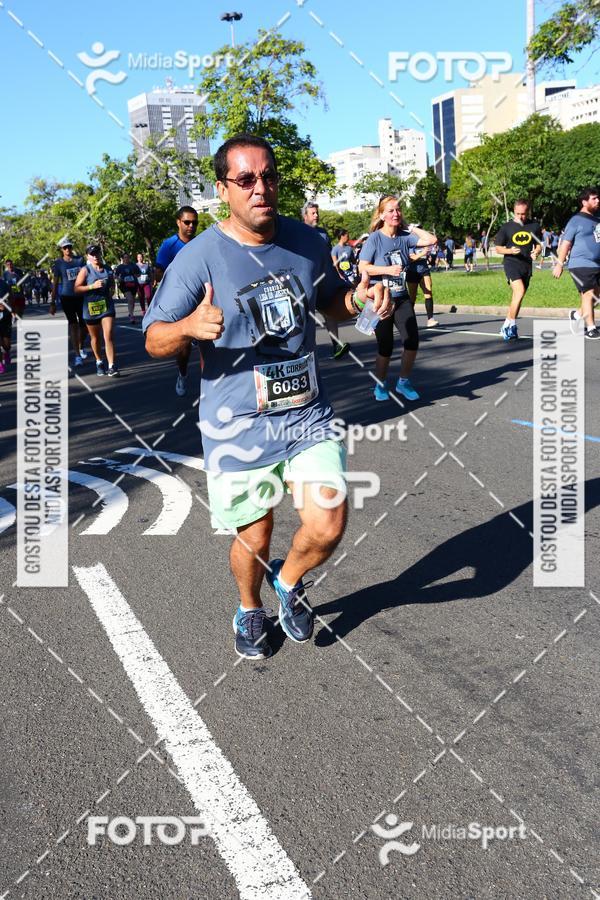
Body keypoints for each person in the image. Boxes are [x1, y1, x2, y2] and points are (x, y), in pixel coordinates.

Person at [143, 133, 392, 660]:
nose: (261, 188)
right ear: (223, 189)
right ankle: (249, 606)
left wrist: (359, 299)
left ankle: (289, 579)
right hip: (237, 423)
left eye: (268, 177)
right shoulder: (198, 258)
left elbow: (331, 302)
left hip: (307, 416)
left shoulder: (307, 242)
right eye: (246, 179)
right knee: (254, 538)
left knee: (328, 524)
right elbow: (154, 338)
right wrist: (187, 326)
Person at [358, 196, 437, 402]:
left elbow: (431, 240)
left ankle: (403, 382)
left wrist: (411, 227)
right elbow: (362, 267)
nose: (396, 213)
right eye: (391, 210)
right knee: (385, 347)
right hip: (381, 300)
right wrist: (387, 270)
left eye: (398, 209)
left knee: (412, 341)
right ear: (382, 215)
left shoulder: (405, 237)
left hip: (401, 298)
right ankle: (380, 383)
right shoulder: (375, 238)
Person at [155, 206, 199, 396]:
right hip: (180, 300)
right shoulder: (169, 245)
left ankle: (212, 382)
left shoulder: (201, 243)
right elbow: (159, 274)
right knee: (184, 346)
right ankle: (182, 374)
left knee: (212, 341)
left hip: (202, 298)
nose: (191, 226)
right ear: (178, 222)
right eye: (187, 222)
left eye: (194, 223)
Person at [302, 201, 350, 360]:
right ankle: (304, 351)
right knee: (305, 316)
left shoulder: (323, 234)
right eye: (313, 213)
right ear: (305, 216)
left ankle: (336, 345)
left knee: (329, 312)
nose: (316, 215)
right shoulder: (298, 232)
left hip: (323, 280)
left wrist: (336, 274)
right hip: (306, 281)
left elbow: (329, 257)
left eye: (317, 212)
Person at [553, 187, 600, 340]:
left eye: (598, 198)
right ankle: (591, 328)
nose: (598, 200)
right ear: (584, 202)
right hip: (580, 263)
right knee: (588, 294)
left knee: (596, 297)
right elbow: (566, 243)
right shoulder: (576, 220)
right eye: (594, 198)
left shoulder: (597, 219)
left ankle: (577, 315)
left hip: (596, 264)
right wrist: (559, 264)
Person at [494, 199, 542, 341]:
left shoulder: (534, 226)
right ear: (514, 211)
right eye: (518, 214)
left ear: (528, 212)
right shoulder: (507, 227)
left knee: (518, 297)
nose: (521, 217)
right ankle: (511, 325)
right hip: (511, 263)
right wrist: (510, 250)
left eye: (524, 214)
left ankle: (507, 324)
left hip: (526, 265)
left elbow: (539, 244)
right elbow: (498, 248)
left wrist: (536, 252)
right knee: (519, 291)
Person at [74, 244, 119, 376]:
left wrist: (111, 291)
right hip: (90, 308)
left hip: (106, 307)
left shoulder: (107, 269)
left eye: (97, 253)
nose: (95, 256)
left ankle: (112, 366)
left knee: (108, 335)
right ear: (88, 256)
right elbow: (76, 289)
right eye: (92, 254)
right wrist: (92, 286)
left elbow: (111, 284)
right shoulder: (85, 270)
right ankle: (99, 361)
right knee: (95, 338)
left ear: (100, 254)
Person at [50, 238, 87, 366]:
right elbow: (55, 283)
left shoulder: (80, 260)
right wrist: (53, 302)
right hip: (67, 297)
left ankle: (81, 345)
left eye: (69, 247)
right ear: (61, 249)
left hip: (81, 296)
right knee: (73, 325)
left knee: (85, 325)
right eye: (65, 247)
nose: (68, 249)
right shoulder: (58, 263)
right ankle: (77, 355)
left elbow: (87, 276)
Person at [406, 244, 439, 328]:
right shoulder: (410, 243)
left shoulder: (424, 243)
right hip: (412, 271)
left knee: (428, 293)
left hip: (424, 270)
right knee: (412, 297)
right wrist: (422, 254)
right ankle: (409, 320)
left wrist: (428, 255)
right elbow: (410, 258)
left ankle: (430, 319)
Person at [114, 253, 142, 323]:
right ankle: (132, 316)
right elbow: (116, 275)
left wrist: (135, 276)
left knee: (132, 300)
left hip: (133, 284)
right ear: (122, 259)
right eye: (125, 257)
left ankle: (130, 313)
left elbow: (139, 274)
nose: (126, 259)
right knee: (130, 299)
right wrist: (119, 279)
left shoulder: (133, 265)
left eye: (128, 257)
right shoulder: (120, 267)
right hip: (124, 285)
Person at [0, 274, 14, 373]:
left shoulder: (4, 284)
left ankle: (7, 352)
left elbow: (11, 298)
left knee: (6, 344)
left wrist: (8, 306)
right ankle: (0, 364)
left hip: (5, 316)